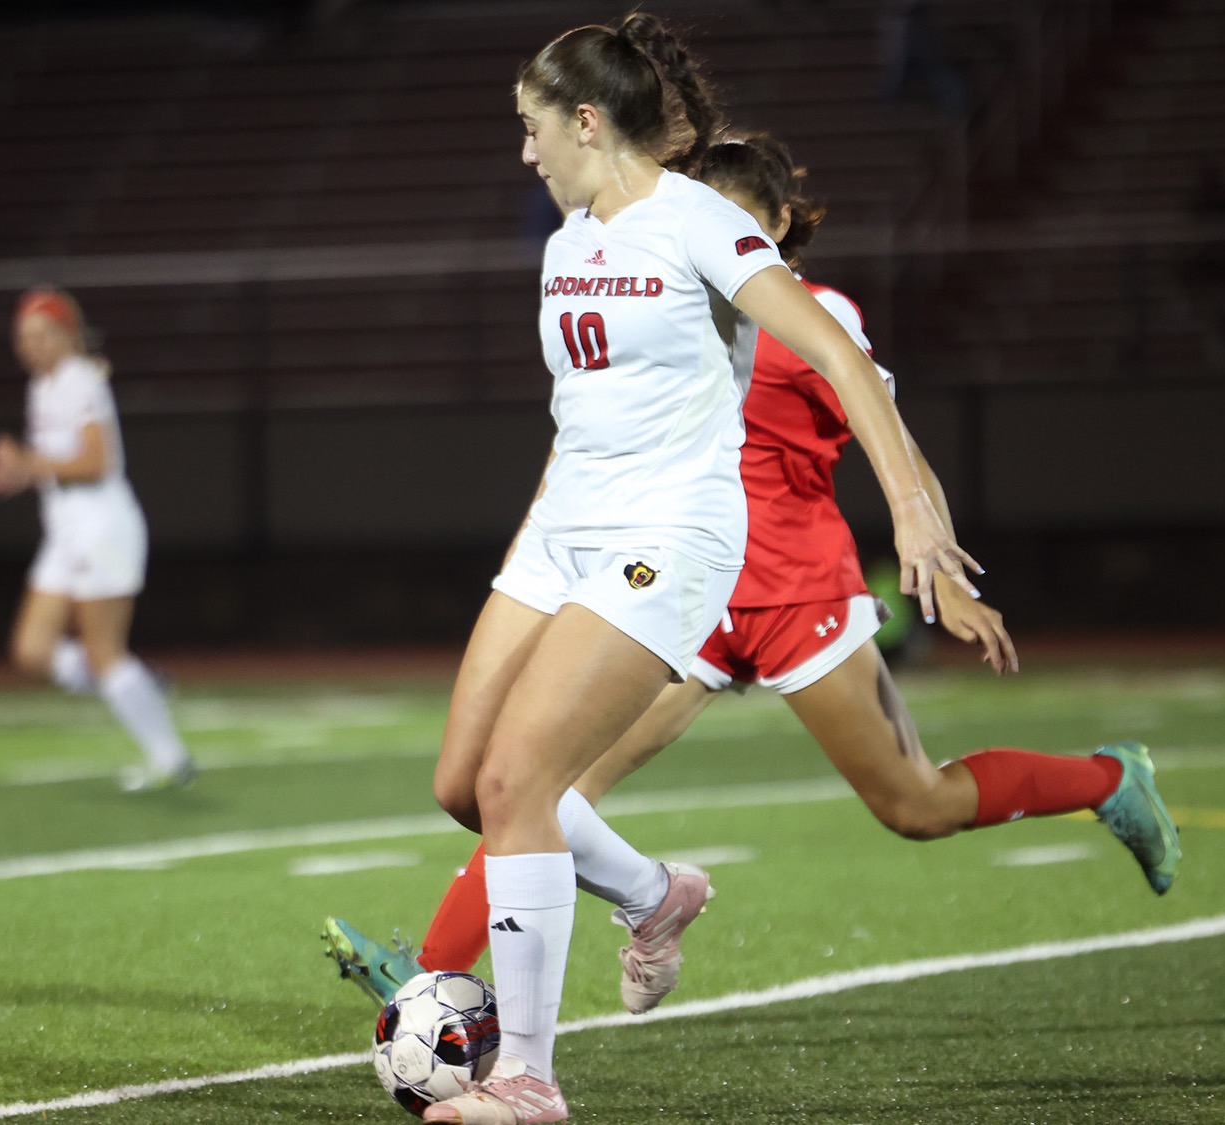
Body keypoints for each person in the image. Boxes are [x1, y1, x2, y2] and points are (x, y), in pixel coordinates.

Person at [324, 135, 1180, 1017]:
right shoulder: (658, 293)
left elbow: (899, 440)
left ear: (777, 226)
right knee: (541, 782)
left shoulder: (811, 316)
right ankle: (433, 974)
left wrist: (941, 560)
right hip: (679, 586)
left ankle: (1109, 781)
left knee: (915, 803)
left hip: (792, 590)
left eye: (742, 219)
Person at [400, 16, 987, 1124]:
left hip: (666, 538)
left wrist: (911, 511)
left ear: (584, 120)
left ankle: (525, 1078)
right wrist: (532, 544)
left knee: (520, 784)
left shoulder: (699, 224)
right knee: (459, 786)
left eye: (531, 128)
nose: (523, 153)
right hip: (562, 530)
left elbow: (835, 352)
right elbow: (577, 418)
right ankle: (652, 893)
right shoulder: (566, 241)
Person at [0, 287, 193, 792]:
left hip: (103, 527)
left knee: (103, 652)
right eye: (23, 337)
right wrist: (17, 473)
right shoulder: (43, 387)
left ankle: (170, 758)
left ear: (67, 334)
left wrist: (32, 465)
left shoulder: (81, 382)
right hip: (65, 534)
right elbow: (50, 464)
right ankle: (138, 681)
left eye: (41, 335)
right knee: (32, 650)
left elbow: (97, 463)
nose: (31, 345)